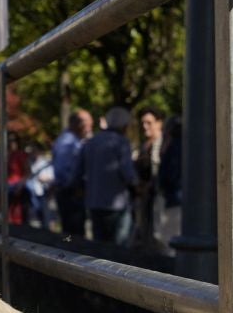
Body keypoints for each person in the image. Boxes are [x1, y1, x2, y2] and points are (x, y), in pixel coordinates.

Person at [78, 106, 134, 245]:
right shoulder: (121, 142)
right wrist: (138, 185)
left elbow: (79, 171)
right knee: (118, 246)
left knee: (99, 244)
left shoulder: (91, 142)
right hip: (116, 204)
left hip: (95, 201)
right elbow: (128, 174)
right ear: (124, 126)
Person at [133, 107, 168, 252]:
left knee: (159, 238)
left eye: (149, 122)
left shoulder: (164, 144)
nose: (144, 126)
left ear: (159, 123)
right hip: (144, 199)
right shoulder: (144, 145)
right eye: (142, 123)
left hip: (159, 199)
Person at [52, 110, 91, 237]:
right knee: (72, 235)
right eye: (88, 125)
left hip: (70, 192)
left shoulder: (72, 141)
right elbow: (63, 171)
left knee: (73, 233)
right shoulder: (68, 142)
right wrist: (75, 187)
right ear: (78, 125)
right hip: (70, 193)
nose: (89, 129)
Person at [158, 114, 183, 244]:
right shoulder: (183, 145)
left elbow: (169, 174)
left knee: (170, 239)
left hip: (175, 198)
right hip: (176, 197)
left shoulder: (173, 146)